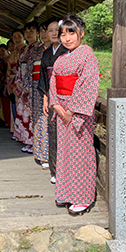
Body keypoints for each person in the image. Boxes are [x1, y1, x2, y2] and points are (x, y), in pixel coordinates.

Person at [49, 13, 100, 215]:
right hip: (62, 112)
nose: (67, 38)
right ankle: (66, 192)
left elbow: (88, 84)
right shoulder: (61, 59)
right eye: (63, 34)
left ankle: (82, 197)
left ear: (81, 34)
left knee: (80, 154)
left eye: (71, 33)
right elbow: (54, 82)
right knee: (65, 154)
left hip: (79, 115)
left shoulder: (88, 56)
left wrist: (72, 111)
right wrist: (57, 107)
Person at [38, 17, 69, 181]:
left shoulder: (68, 51)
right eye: (50, 30)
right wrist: (45, 98)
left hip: (66, 95)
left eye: (57, 30)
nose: (54, 33)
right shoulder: (47, 53)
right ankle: (55, 170)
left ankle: (67, 170)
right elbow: (43, 76)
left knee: (66, 132)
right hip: (51, 96)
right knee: (53, 132)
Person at [23, 21, 52, 169]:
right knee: (40, 121)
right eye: (41, 31)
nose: (43, 34)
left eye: (46, 30)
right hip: (37, 89)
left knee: (53, 121)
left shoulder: (59, 50)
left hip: (54, 89)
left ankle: (55, 154)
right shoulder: (35, 51)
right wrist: (27, 90)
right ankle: (43, 155)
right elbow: (29, 70)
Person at [13, 21, 40, 153]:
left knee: (31, 113)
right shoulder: (23, 49)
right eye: (27, 32)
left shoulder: (40, 48)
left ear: (38, 33)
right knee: (24, 113)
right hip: (22, 82)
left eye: (32, 31)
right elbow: (19, 67)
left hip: (33, 84)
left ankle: (33, 141)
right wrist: (18, 81)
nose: (29, 34)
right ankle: (26, 139)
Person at [6, 28, 25, 137]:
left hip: (23, 82)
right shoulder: (12, 54)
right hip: (13, 83)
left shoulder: (27, 51)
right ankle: (16, 131)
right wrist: (10, 83)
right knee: (15, 106)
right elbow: (8, 71)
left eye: (19, 36)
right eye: (15, 37)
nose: (17, 39)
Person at [0, 44, 11, 127]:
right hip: (2, 86)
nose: (1, 53)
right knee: (3, 102)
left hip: (11, 85)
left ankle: (10, 120)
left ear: (7, 50)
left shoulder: (12, 60)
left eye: (3, 50)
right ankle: (4, 119)